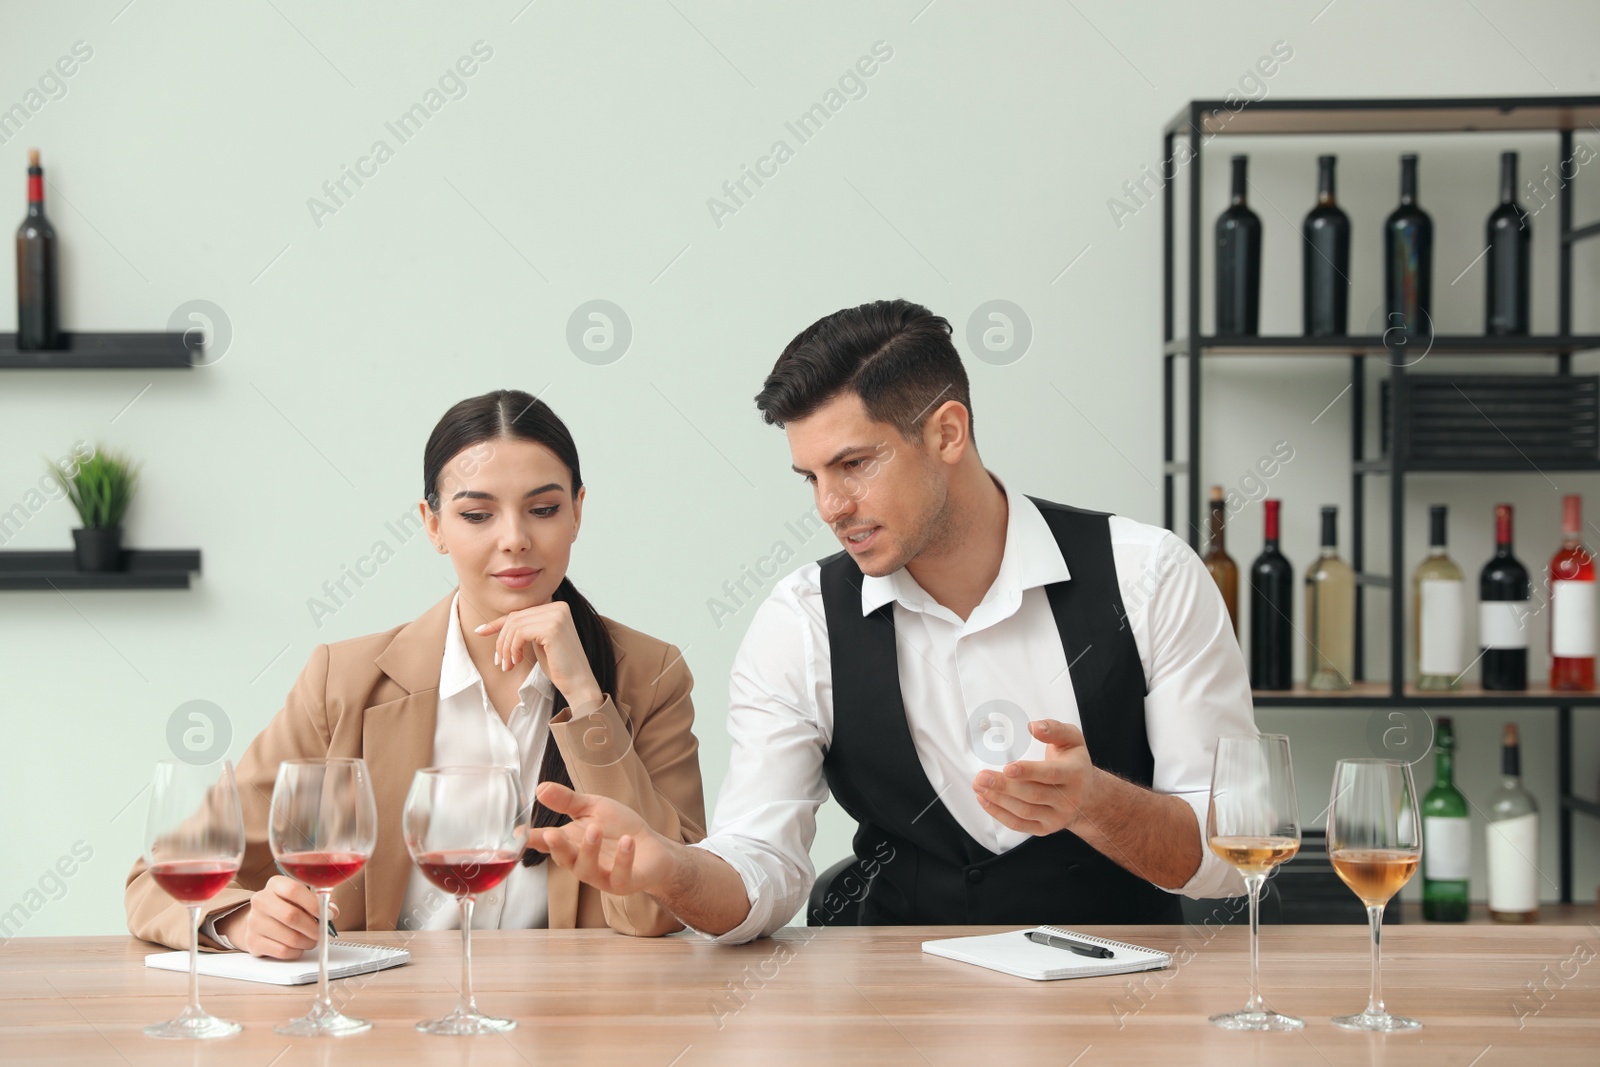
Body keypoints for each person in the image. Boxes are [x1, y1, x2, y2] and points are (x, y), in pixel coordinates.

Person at [525, 299, 1255, 940]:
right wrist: (671, 869)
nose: (829, 507)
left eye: (854, 464)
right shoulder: (801, 621)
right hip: (892, 1008)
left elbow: (1232, 854)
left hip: (1128, 998)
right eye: (811, 477)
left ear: (946, 432)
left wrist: (1095, 802)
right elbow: (763, 867)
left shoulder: (1150, 575)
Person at [126, 390, 705, 956]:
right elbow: (157, 878)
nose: (514, 540)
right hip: (386, 1022)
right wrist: (243, 921)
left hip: (568, 1029)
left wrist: (586, 700)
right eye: (476, 514)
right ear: (432, 526)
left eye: (544, 509)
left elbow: (667, 907)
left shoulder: (650, 675)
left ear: (578, 512)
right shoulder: (343, 682)